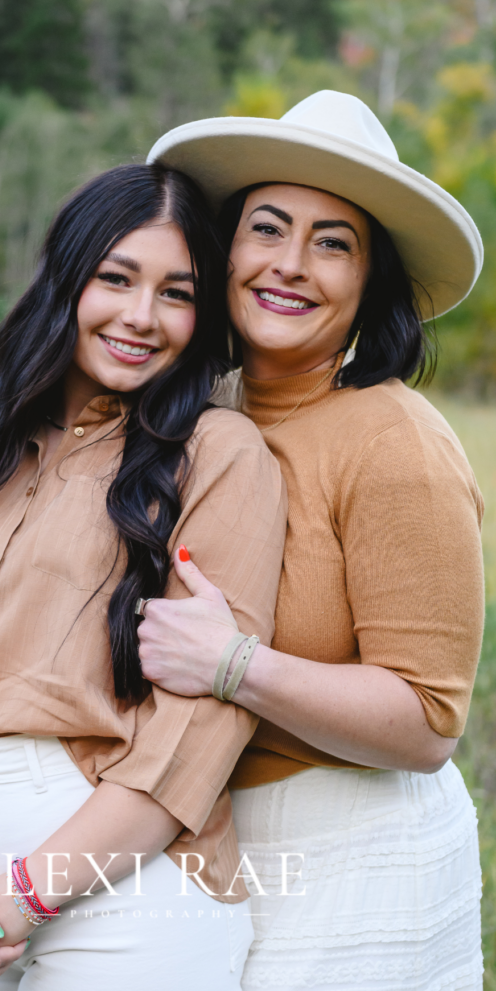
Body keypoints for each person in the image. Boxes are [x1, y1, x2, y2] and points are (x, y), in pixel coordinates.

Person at [0, 163, 288, 989]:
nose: (141, 317)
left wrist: (28, 892)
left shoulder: (217, 456)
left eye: (176, 293)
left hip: (132, 895)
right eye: (116, 278)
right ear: (66, 278)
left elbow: (194, 737)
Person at [137, 91, 486, 990]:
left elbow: (425, 724)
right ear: (221, 253)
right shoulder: (183, 418)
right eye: (267, 228)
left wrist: (233, 664)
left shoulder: (391, 439)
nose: (290, 265)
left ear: (370, 283)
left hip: (352, 852)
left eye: (333, 242)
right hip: (192, 844)